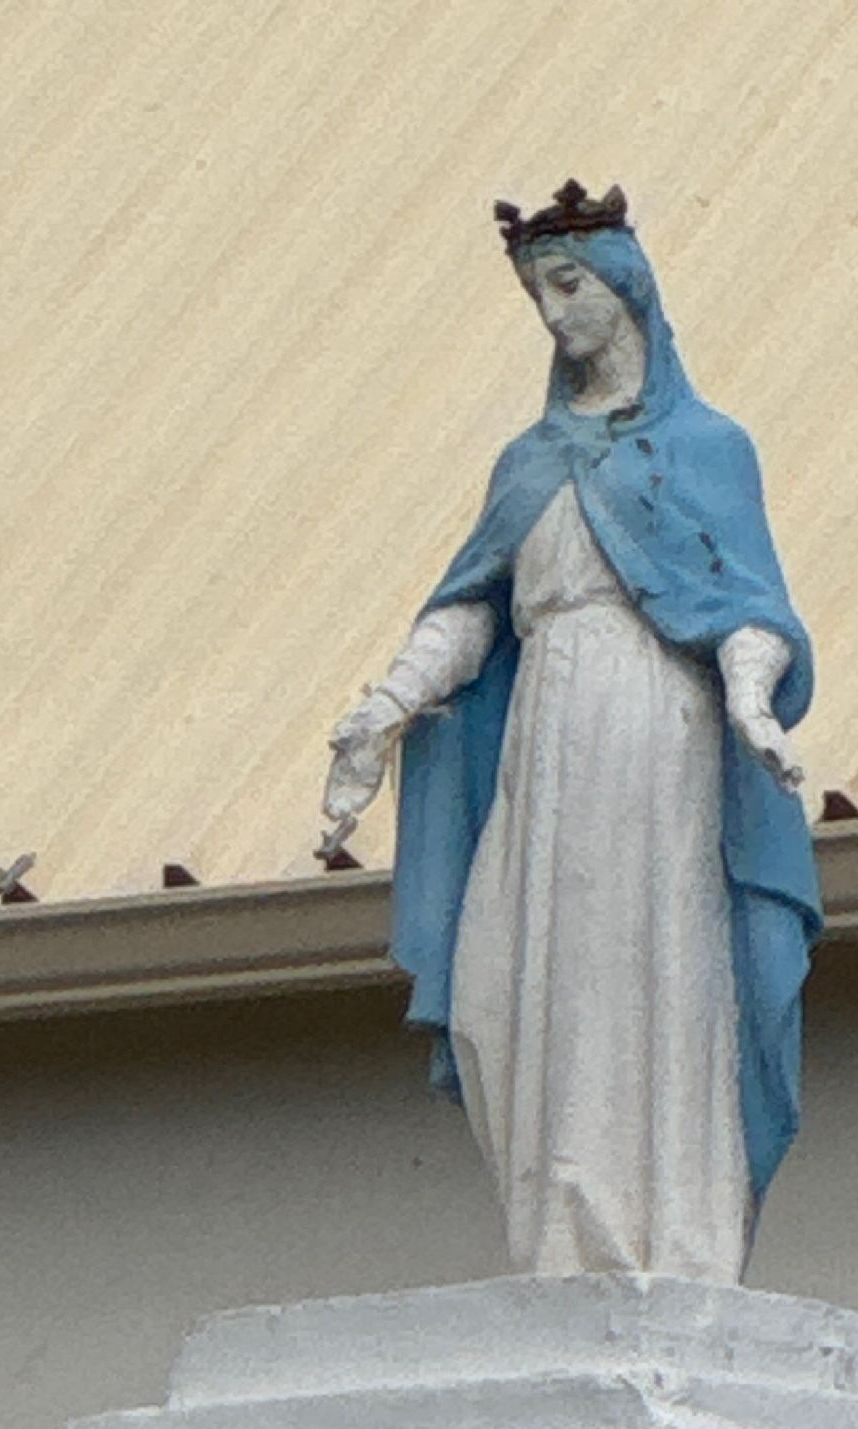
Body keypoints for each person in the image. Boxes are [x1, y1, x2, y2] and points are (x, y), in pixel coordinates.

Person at [318, 181, 820, 1284]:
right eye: (538, 296)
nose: (554, 315)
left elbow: (748, 605)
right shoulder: (527, 462)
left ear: (624, 289)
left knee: (649, 952)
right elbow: (472, 607)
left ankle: (666, 1225)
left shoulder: (708, 449)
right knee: (515, 971)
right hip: (543, 731)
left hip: (653, 724)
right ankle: (561, 1224)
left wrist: (750, 698)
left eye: (568, 285)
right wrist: (385, 707)